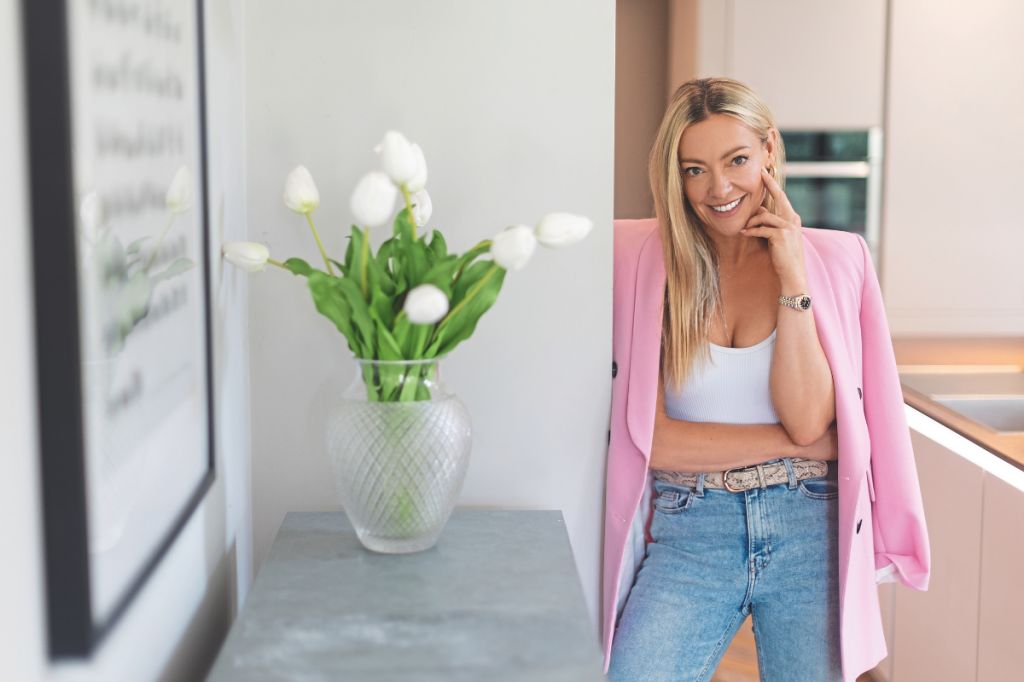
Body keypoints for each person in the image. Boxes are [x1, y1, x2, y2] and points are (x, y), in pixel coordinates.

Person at [602, 77, 930, 681]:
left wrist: (792, 275)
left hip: (808, 522)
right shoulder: (639, 260)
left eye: (738, 161)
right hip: (690, 529)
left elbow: (808, 417)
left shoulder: (837, 259)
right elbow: (660, 441)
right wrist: (792, 443)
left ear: (770, 150)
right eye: (695, 169)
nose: (719, 188)